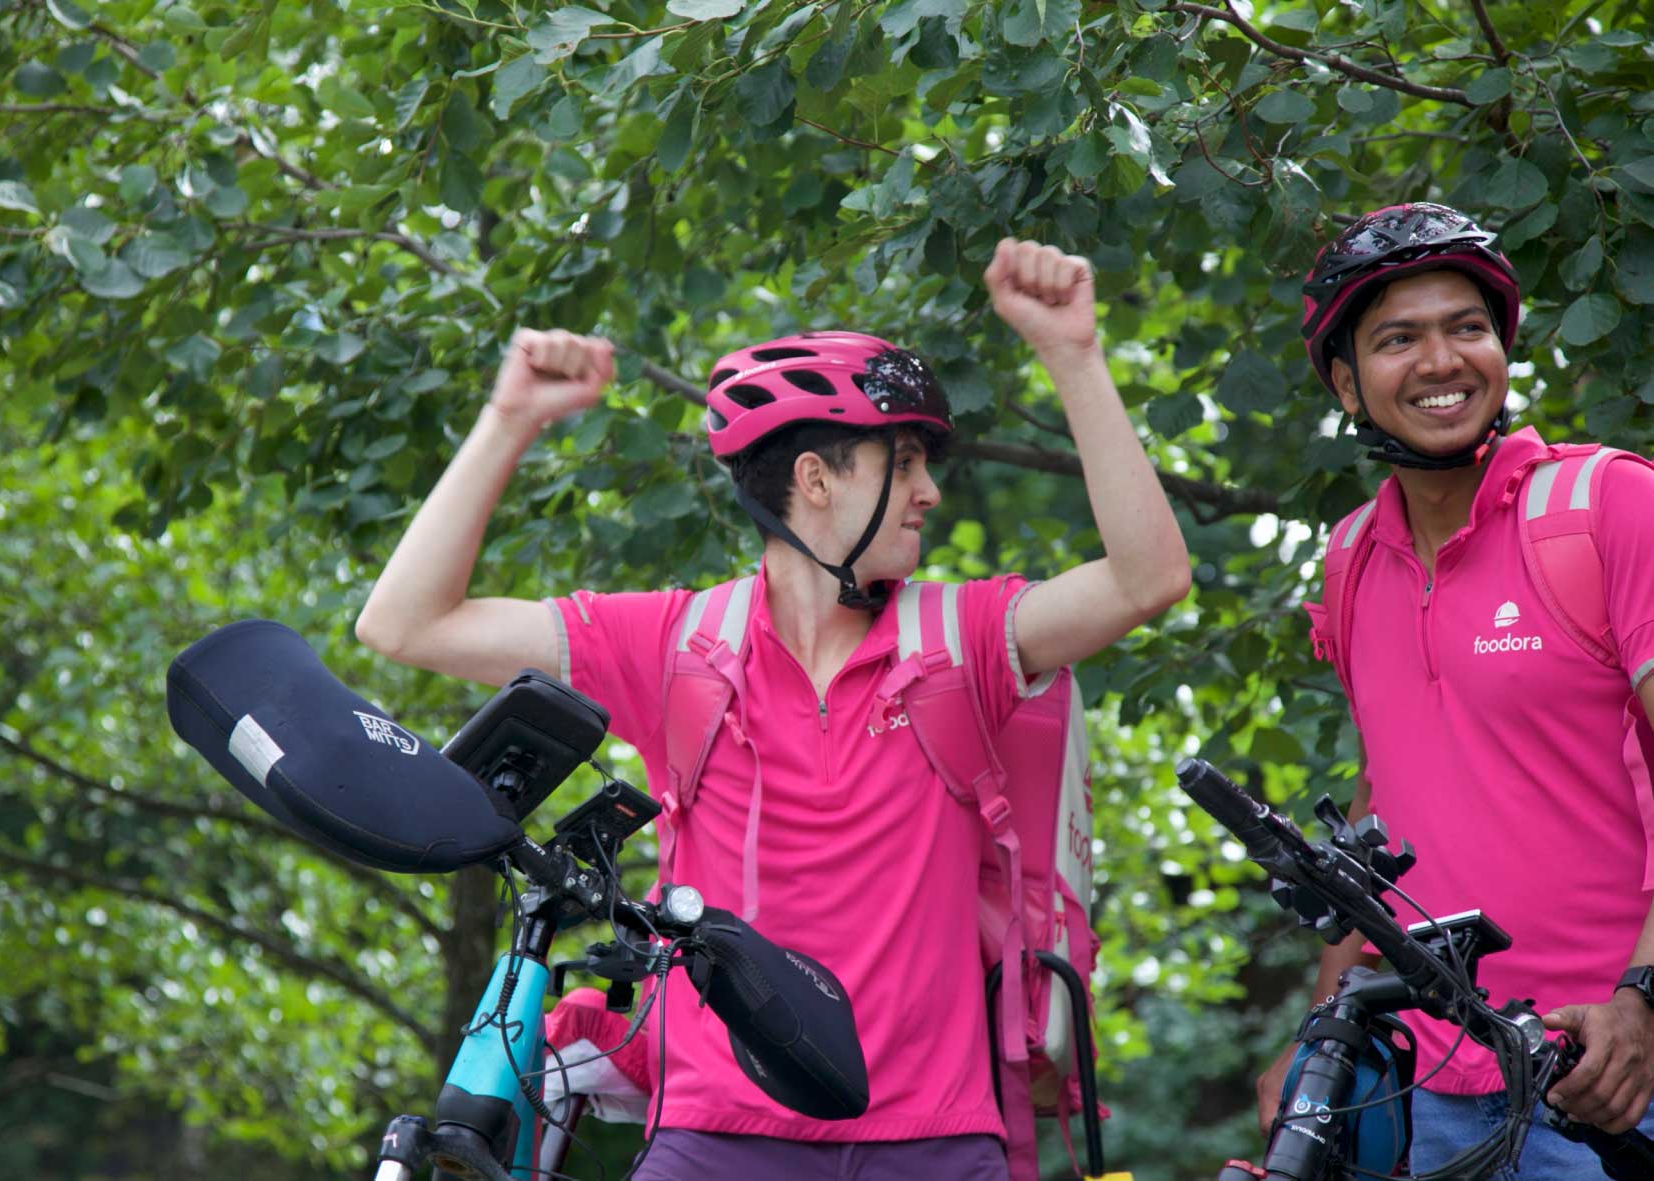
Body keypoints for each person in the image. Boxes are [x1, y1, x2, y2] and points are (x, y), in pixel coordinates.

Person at [356, 238, 1191, 1180]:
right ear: (815, 479)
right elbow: (404, 621)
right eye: (905, 460)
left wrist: (1073, 355)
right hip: (714, 1134)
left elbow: (1149, 577)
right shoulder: (676, 644)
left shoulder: (966, 638)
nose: (928, 492)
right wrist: (510, 418)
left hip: (938, 1141)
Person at [1256, 202, 1654, 1175]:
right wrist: (1320, 1034)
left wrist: (1643, 994)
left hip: (1609, 1076)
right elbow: (1384, 803)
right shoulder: (1350, 556)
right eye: (1398, 338)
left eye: (1465, 328)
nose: (1440, 361)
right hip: (1427, 1082)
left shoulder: (1605, 507)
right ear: (1345, 380)